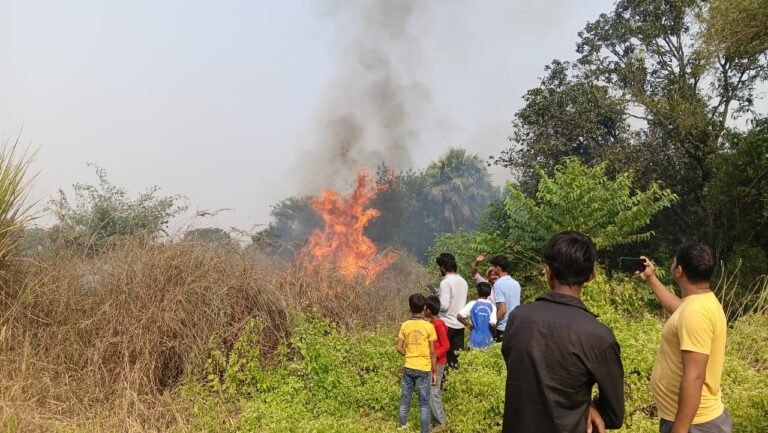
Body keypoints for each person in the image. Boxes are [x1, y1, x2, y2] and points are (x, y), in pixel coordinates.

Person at [501, 231, 624, 433]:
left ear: (548, 272)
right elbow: (614, 415)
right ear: (592, 275)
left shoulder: (518, 318)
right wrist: (589, 406)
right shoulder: (599, 336)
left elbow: (526, 376)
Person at [638, 242, 731, 433]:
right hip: (692, 421)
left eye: (674, 262)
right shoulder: (700, 303)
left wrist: (679, 430)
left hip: (694, 424)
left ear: (679, 271)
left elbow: (695, 377)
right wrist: (651, 278)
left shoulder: (695, 313)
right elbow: (679, 309)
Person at [397, 293, 438, 433]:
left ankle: (402, 429)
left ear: (409, 307)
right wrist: (434, 372)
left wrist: (408, 355)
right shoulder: (429, 327)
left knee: (405, 402)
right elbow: (433, 352)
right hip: (424, 369)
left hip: (409, 367)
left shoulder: (405, 325)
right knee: (424, 405)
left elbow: (399, 348)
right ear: (425, 307)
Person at [435, 252, 469, 369]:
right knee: (455, 359)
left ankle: (438, 379)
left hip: (446, 324)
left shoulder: (445, 282)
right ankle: (453, 379)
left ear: (443, 267)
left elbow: (444, 306)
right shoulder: (463, 281)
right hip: (459, 324)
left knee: (440, 357)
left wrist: (436, 299)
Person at [425, 295, 449, 427]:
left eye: (425, 309)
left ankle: (443, 423)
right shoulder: (432, 323)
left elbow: (446, 345)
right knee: (430, 392)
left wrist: (433, 355)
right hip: (432, 362)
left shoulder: (438, 324)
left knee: (433, 393)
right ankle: (435, 423)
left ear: (429, 310)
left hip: (438, 363)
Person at [489, 255, 521, 342]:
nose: (492, 269)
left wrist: (493, 321)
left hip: (503, 328)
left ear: (498, 268)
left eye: (493, 267)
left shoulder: (498, 284)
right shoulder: (516, 283)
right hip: (515, 325)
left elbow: (502, 310)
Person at [457, 282, 497, 349]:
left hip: (474, 339)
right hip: (488, 340)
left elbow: (459, 316)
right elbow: (492, 324)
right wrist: (495, 335)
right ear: (489, 293)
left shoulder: (472, 304)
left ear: (477, 292)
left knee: (473, 355)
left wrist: (469, 325)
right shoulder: (492, 307)